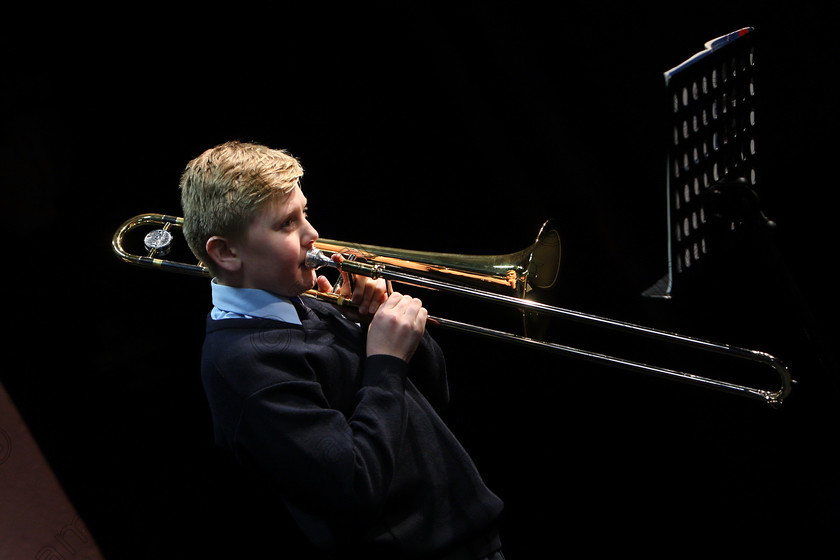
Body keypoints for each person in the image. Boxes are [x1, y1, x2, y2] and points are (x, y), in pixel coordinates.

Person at [179, 141, 505, 559]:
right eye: (286, 224)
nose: (312, 235)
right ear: (225, 252)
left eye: (305, 213)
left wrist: (383, 328)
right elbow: (353, 486)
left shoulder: (304, 302)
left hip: (472, 539)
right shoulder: (243, 363)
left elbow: (431, 399)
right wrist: (384, 361)